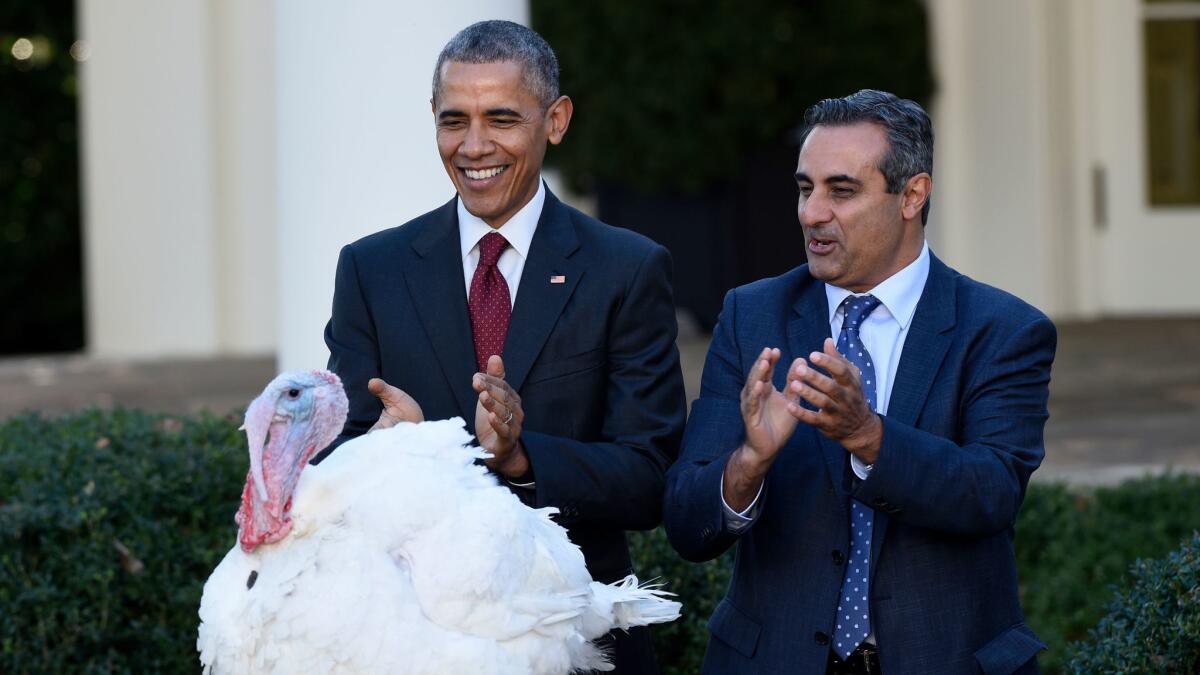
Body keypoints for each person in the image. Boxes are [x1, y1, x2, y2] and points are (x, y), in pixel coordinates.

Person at [319, 20, 686, 673]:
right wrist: (396, 452)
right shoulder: (372, 270)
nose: (475, 144)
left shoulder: (625, 270)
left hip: (579, 644)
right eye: (454, 119)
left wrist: (521, 455)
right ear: (432, 117)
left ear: (556, 119)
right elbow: (334, 468)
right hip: (413, 645)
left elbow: (650, 479)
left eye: (502, 118)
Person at [663, 89, 1057, 674]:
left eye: (840, 190)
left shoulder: (1002, 329)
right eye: (804, 188)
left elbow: (991, 493)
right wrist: (749, 461)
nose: (810, 212)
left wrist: (868, 435)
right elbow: (687, 525)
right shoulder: (752, 315)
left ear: (912, 195)